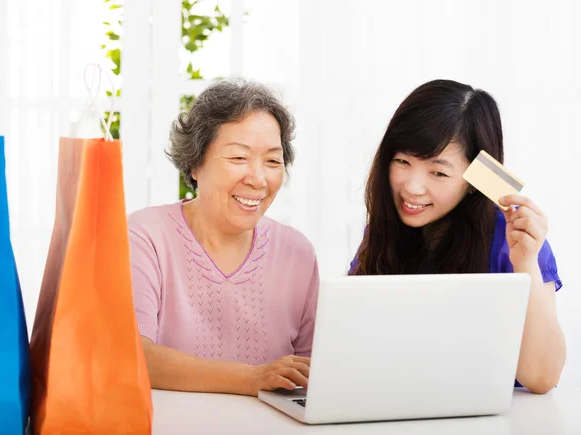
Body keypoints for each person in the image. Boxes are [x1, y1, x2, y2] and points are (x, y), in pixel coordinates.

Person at [348, 79, 566, 394]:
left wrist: (527, 264)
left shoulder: (513, 241)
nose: (412, 187)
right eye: (403, 162)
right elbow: (356, 343)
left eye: (438, 172)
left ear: (474, 179)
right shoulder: (386, 229)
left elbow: (542, 378)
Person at [128, 80, 318, 396]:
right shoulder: (144, 237)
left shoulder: (298, 252)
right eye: (238, 158)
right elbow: (134, 356)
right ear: (195, 162)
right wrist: (252, 379)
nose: (258, 179)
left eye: (272, 161)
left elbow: (313, 371)